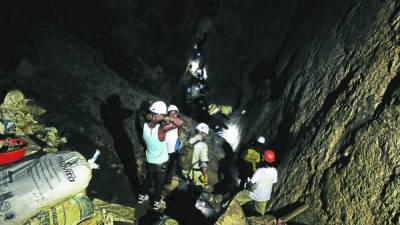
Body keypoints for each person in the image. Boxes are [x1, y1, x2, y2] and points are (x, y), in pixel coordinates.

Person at [137, 101, 183, 210]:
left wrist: (152, 117)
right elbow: (179, 122)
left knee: (148, 178)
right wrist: (168, 119)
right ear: (160, 115)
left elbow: (141, 114)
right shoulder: (162, 129)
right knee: (160, 182)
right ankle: (156, 202)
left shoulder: (143, 125)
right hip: (162, 161)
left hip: (150, 159)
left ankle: (141, 196)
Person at [234, 149, 278, 216]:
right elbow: (273, 182)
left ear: (263, 159)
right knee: (260, 215)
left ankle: (226, 207)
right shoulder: (274, 171)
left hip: (254, 194)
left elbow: (250, 186)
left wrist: (247, 182)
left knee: (236, 199)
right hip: (265, 197)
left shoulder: (259, 171)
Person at [181, 123, 210, 188]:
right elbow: (203, 164)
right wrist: (205, 175)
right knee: (201, 186)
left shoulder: (188, 140)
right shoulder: (203, 145)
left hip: (183, 169)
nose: (206, 136)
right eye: (206, 134)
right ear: (203, 133)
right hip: (193, 172)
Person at [164, 105, 184, 186]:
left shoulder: (178, 121)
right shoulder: (164, 122)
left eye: (175, 113)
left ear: (177, 114)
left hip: (173, 148)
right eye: (170, 113)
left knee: (172, 166)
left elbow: (179, 123)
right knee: (164, 166)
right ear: (167, 113)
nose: (173, 115)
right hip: (164, 148)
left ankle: (168, 181)